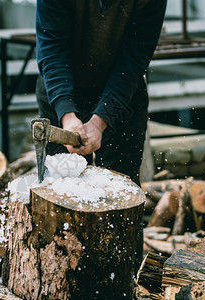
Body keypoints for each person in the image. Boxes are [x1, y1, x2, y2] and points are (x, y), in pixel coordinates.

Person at [36, 0, 167, 185]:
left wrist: (100, 121)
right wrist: (67, 116)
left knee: (121, 193)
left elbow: (133, 60)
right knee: (62, 192)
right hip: (61, 89)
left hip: (123, 93)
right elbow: (52, 50)